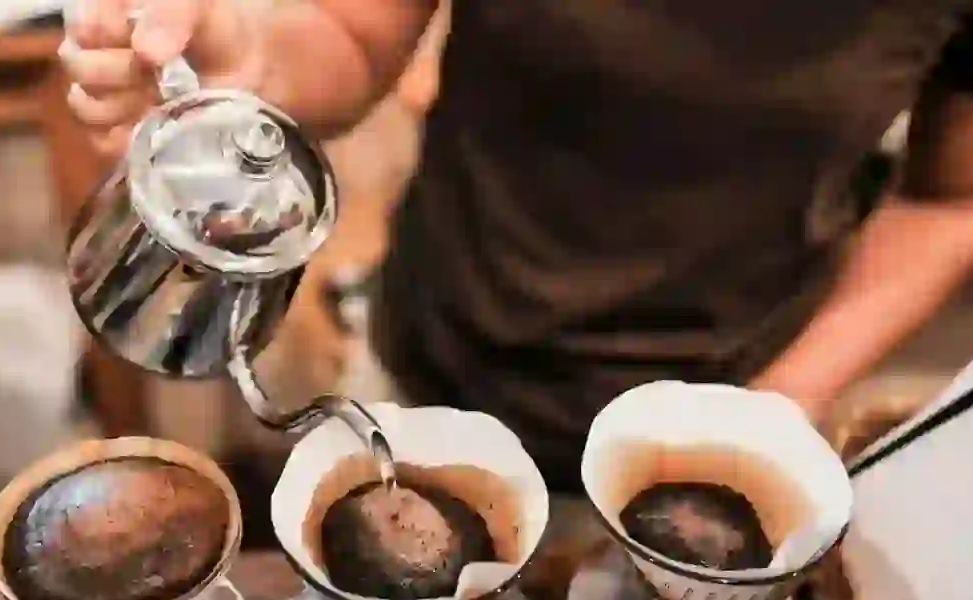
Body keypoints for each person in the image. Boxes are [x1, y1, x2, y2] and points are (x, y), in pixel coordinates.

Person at [61, 0, 973, 493]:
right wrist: (253, 61)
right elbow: (352, 32)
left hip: (722, 423)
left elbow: (950, 203)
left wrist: (781, 403)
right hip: (437, 363)